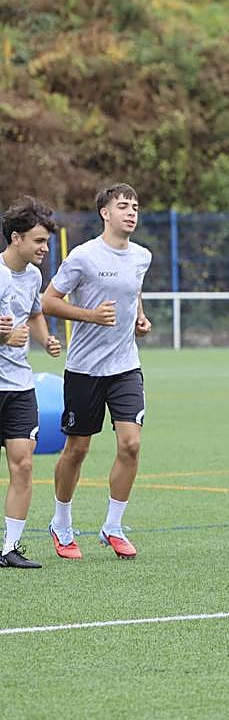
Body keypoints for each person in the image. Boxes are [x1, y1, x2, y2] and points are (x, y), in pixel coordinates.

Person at [40, 184, 152, 559]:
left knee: (131, 444)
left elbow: (133, 290)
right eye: (123, 206)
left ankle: (113, 527)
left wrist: (139, 318)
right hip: (85, 369)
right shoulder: (83, 256)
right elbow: (48, 301)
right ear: (105, 213)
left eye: (135, 206)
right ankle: (61, 524)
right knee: (77, 449)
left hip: (126, 367)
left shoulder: (142, 256)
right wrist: (90, 316)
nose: (131, 212)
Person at [0, 198, 63, 568]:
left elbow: (35, 312)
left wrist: (45, 339)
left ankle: (9, 548)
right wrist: (3, 337)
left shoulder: (35, 276)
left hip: (20, 386)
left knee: (23, 464)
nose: (44, 249)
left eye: (47, 243)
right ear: (16, 238)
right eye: (39, 241)